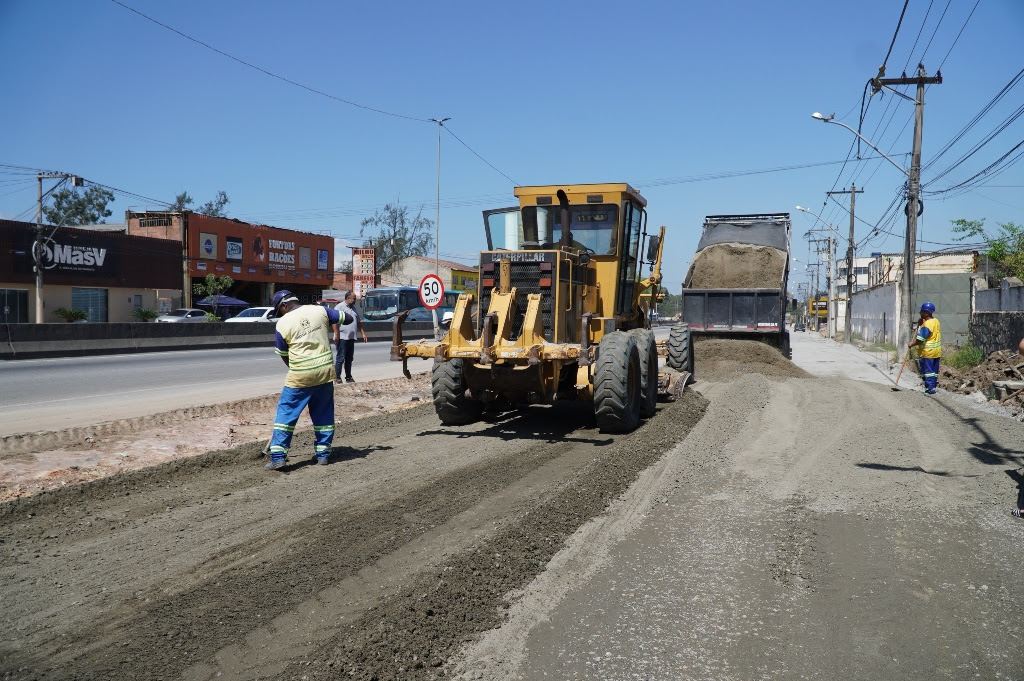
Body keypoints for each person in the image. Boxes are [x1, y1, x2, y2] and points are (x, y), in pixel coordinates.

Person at [265, 290, 352, 470]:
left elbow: (284, 354)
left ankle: (278, 457)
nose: (280, 314)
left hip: (300, 375)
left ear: (284, 306)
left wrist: (297, 368)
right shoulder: (320, 310)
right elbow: (348, 319)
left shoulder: (283, 323)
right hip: (325, 372)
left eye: (279, 311)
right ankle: (323, 454)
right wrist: (327, 321)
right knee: (323, 413)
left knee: (286, 413)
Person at [907, 301, 941, 395]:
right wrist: (921, 323)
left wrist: (911, 344)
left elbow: (920, 340)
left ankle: (929, 389)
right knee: (934, 372)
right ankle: (932, 387)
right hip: (936, 352)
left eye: (922, 311)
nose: (920, 313)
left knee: (928, 372)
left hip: (927, 353)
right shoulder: (936, 321)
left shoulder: (926, 325)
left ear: (926, 313)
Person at [333, 290, 367, 383]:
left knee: (349, 359)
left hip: (351, 337)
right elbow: (334, 321)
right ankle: (337, 377)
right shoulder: (340, 307)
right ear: (348, 298)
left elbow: (358, 322)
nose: (355, 300)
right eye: (354, 299)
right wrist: (337, 334)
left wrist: (363, 333)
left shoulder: (354, 309)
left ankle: (348, 377)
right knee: (341, 358)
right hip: (342, 337)